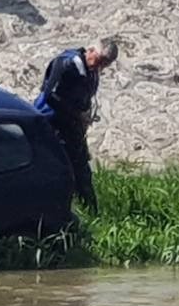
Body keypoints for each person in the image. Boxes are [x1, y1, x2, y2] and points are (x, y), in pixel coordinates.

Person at [32, 39, 120, 214]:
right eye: (100, 60)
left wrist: (84, 115)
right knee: (57, 168)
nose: (101, 66)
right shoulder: (66, 64)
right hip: (50, 122)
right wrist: (76, 114)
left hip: (71, 125)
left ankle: (91, 212)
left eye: (106, 64)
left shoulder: (92, 71)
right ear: (91, 50)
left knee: (81, 169)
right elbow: (50, 96)